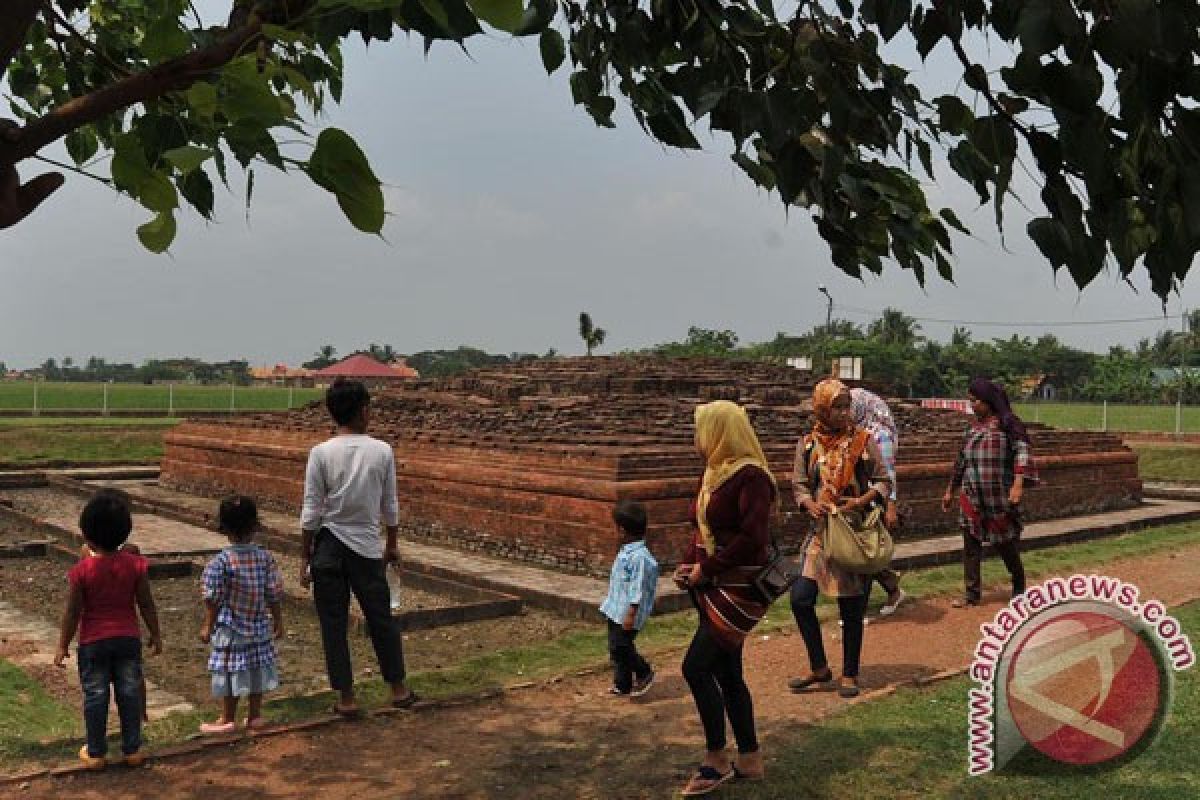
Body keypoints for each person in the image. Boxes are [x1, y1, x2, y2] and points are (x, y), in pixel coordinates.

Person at [675, 400, 775, 796]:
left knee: (695, 668)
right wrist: (687, 564)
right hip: (713, 586)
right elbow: (703, 529)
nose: (697, 439)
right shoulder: (715, 473)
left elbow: (754, 540)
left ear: (720, 432)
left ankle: (716, 758)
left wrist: (708, 569)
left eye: (702, 429)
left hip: (738, 590)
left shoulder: (752, 478)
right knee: (727, 671)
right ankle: (749, 758)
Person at [300, 377, 417, 715]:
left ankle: (346, 698)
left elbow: (311, 510)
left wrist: (305, 555)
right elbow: (389, 505)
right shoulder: (381, 451)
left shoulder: (320, 453)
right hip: (366, 546)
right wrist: (391, 545)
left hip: (328, 546)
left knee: (333, 625)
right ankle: (397, 688)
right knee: (381, 619)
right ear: (364, 410)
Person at [789, 379, 892, 699]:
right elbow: (799, 484)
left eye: (847, 406)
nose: (844, 413)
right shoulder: (807, 444)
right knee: (800, 599)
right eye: (837, 406)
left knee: (851, 607)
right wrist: (808, 503)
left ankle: (850, 673)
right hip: (820, 533)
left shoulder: (862, 441)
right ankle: (819, 667)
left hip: (851, 531)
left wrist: (860, 502)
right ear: (821, 408)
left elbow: (883, 481)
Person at [54, 489, 162, 769]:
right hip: (127, 638)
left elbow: (73, 612)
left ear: (86, 536)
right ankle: (132, 749)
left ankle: (96, 752)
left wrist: (62, 644)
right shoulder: (136, 564)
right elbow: (146, 604)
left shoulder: (82, 571)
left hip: (94, 642)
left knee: (96, 695)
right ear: (125, 534)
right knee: (128, 692)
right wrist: (156, 634)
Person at [942, 378, 1035, 607]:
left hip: (997, 494)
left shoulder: (1007, 425)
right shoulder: (972, 429)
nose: (972, 405)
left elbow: (1022, 452)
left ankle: (1019, 583)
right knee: (970, 542)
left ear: (988, 401)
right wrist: (950, 490)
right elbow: (961, 461)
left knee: (1004, 542)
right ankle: (971, 594)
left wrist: (1018, 483)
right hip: (972, 493)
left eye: (975, 400)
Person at [199, 495, 285, 734]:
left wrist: (208, 624)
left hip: (232, 627)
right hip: (258, 625)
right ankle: (255, 715)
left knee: (230, 670)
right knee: (256, 668)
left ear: (224, 528)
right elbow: (274, 592)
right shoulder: (264, 558)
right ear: (255, 525)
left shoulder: (221, 562)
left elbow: (212, 597)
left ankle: (227, 718)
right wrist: (278, 620)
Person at [850, 388, 906, 617]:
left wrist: (890, 506)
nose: (845, 412)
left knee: (866, 552)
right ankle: (892, 587)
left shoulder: (878, 434)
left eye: (849, 407)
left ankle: (859, 609)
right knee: (862, 551)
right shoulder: (855, 432)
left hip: (875, 500)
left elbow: (887, 473)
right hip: (858, 500)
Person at [599, 499, 659, 698]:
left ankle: (644, 671)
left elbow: (637, 589)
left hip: (627, 613)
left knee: (621, 647)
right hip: (616, 609)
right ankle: (622, 684)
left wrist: (631, 615)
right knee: (615, 648)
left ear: (623, 531)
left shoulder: (640, 558)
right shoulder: (627, 552)